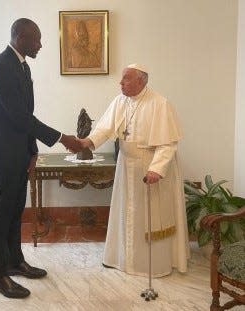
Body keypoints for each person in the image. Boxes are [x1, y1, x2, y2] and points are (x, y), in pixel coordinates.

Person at [0, 18, 82, 299]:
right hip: (2, 150)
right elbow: (21, 117)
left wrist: (33, 152)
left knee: (14, 209)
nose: (40, 44)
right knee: (2, 213)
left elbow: (25, 117)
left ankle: (14, 261)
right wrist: (64, 138)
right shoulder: (1, 67)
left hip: (19, 151)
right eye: (35, 39)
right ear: (19, 36)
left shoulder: (21, 66)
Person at [78, 64, 189, 277]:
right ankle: (123, 260)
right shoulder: (120, 101)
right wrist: (87, 141)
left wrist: (157, 169)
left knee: (148, 217)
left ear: (141, 81)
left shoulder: (160, 103)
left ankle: (152, 264)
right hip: (125, 165)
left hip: (150, 167)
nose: (120, 83)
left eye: (126, 79)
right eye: (121, 79)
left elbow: (168, 144)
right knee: (127, 213)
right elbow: (104, 127)